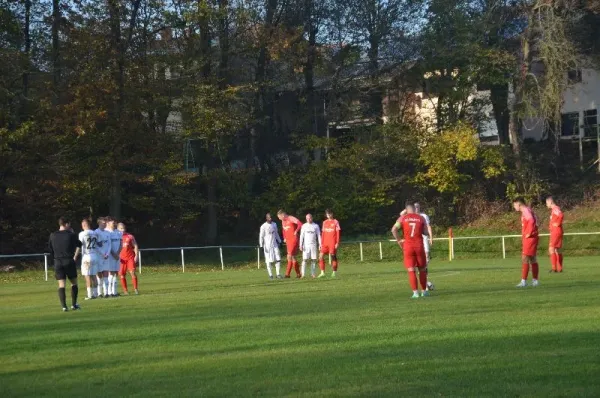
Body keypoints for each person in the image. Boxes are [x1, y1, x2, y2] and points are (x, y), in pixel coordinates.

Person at [391, 204, 429, 298]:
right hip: (419, 246)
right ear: (414, 209)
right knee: (422, 270)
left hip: (408, 247)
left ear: (406, 210)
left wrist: (399, 240)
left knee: (411, 270)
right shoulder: (421, 218)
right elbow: (425, 232)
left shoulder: (402, 218)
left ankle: (415, 293)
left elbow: (393, 230)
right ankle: (424, 292)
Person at [48, 217, 82, 311]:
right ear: (66, 224)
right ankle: (74, 305)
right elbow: (79, 244)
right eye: (69, 224)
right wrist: (75, 255)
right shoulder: (71, 235)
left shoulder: (52, 235)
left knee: (61, 284)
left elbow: (50, 249)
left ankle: (64, 306)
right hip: (69, 260)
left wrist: (54, 258)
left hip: (58, 262)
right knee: (74, 283)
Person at [402, 202, 434, 290]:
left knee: (424, 263)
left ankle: (424, 285)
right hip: (416, 243)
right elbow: (401, 214)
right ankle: (425, 285)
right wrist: (407, 209)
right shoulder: (408, 217)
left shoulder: (423, 216)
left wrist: (431, 237)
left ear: (419, 208)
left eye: (417, 207)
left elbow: (428, 227)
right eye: (415, 207)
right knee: (417, 266)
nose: (416, 208)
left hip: (423, 241)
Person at [513, 198, 540, 287]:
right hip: (533, 237)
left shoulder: (525, 210)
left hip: (530, 238)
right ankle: (535, 281)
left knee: (525, 258)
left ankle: (523, 281)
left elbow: (532, 221)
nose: (514, 207)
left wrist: (528, 233)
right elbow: (537, 221)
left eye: (514, 205)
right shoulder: (528, 210)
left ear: (518, 204)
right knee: (532, 258)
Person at [78, 219, 100, 300]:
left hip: (86, 256)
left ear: (84, 225)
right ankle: (96, 293)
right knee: (94, 275)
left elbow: (79, 244)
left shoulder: (82, 233)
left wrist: (76, 254)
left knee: (87, 276)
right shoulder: (95, 233)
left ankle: (90, 295)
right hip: (95, 255)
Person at [277, 210, 303, 278]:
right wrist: (284, 237)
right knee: (293, 257)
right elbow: (283, 230)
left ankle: (287, 274)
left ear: (283, 215)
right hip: (288, 240)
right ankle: (298, 274)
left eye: (279, 217)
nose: (279, 218)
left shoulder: (291, 218)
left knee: (289, 256)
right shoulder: (283, 221)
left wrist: (296, 231)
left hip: (294, 239)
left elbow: (300, 224)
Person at [259, 213, 283, 279]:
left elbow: (276, 233)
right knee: (268, 260)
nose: (270, 219)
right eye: (269, 218)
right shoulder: (263, 226)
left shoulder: (274, 224)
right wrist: (261, 245)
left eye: (271, 217)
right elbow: (261, 236)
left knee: (278, 259)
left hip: (275, 244)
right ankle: (270, 275)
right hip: (267, 246)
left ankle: (278, 274)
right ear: (266, 218)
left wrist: (280, 241)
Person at [118, 222, 139, 294]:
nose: (122, 230)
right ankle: (125, 290)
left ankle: (135, 289)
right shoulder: (116, 237)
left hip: (130, 257)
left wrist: (136, 255)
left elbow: (135, 245)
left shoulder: (130, 236)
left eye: (123, 228)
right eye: (121, 228)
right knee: (122, 275)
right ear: (118, 229)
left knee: (132, 272)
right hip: (121, 259)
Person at [319, 209, 341, 278]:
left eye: (330, 214)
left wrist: (337, 242)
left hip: (332, 243)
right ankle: (322, 273)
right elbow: (323, 233)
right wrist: (321, 243)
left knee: (333, 257)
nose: (328, 215)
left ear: (332, 214)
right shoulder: (324, 222)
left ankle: (334, 272)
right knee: (320, 256)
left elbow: (338, 233)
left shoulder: (335, 222)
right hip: (325, 243)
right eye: (327, 214)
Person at [299, 214, 321, 278]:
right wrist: (300, 245)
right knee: (304, 259)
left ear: (312, 218)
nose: (308, 219)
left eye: (309, 218)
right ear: (306, 219)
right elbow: (301, 236)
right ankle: (303, 274)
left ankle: (313, 274)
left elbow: (319, 235)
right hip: (306, 245)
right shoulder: (304, 226)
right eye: (307, 218)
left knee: (313, 260)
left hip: (313, 245)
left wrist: (320, 244)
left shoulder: (316, 226)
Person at [546, 196, 564, 273]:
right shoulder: (555, 209)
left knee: (551, 249)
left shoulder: (555, 208)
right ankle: (559, 268)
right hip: (557, 231)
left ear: (550, 202)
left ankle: (554, 268)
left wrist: (558, 223)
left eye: (547, 203)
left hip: (556, 231)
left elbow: (561, 215)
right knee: (558, 250)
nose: (546, 204)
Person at [106, 217, 122, 296]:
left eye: (114, 222)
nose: (114, 224)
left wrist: (118, 253)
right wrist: (113, 253)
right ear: (108, 223)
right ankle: (109, 292)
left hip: (117, 255)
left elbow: (121, 244)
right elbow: (108, 245)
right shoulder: (107, 232)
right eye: (112, 223)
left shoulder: (118, 232)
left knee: (116, 272)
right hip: (110, 256)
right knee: (110, 272)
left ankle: (114, 291)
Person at [95, 217, 111, 297]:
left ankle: (106, 292)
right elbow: (95, 246)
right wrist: (102, 254)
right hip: (99, 256)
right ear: (99, 223)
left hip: (106, 256)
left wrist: (107, 254)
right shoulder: (95, 232)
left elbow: (109, 244)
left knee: (106, 274)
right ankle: (99, 292)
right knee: (99, 274)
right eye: (103, 223)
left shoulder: (107, 233)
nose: (105, 224)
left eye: (105, 223)